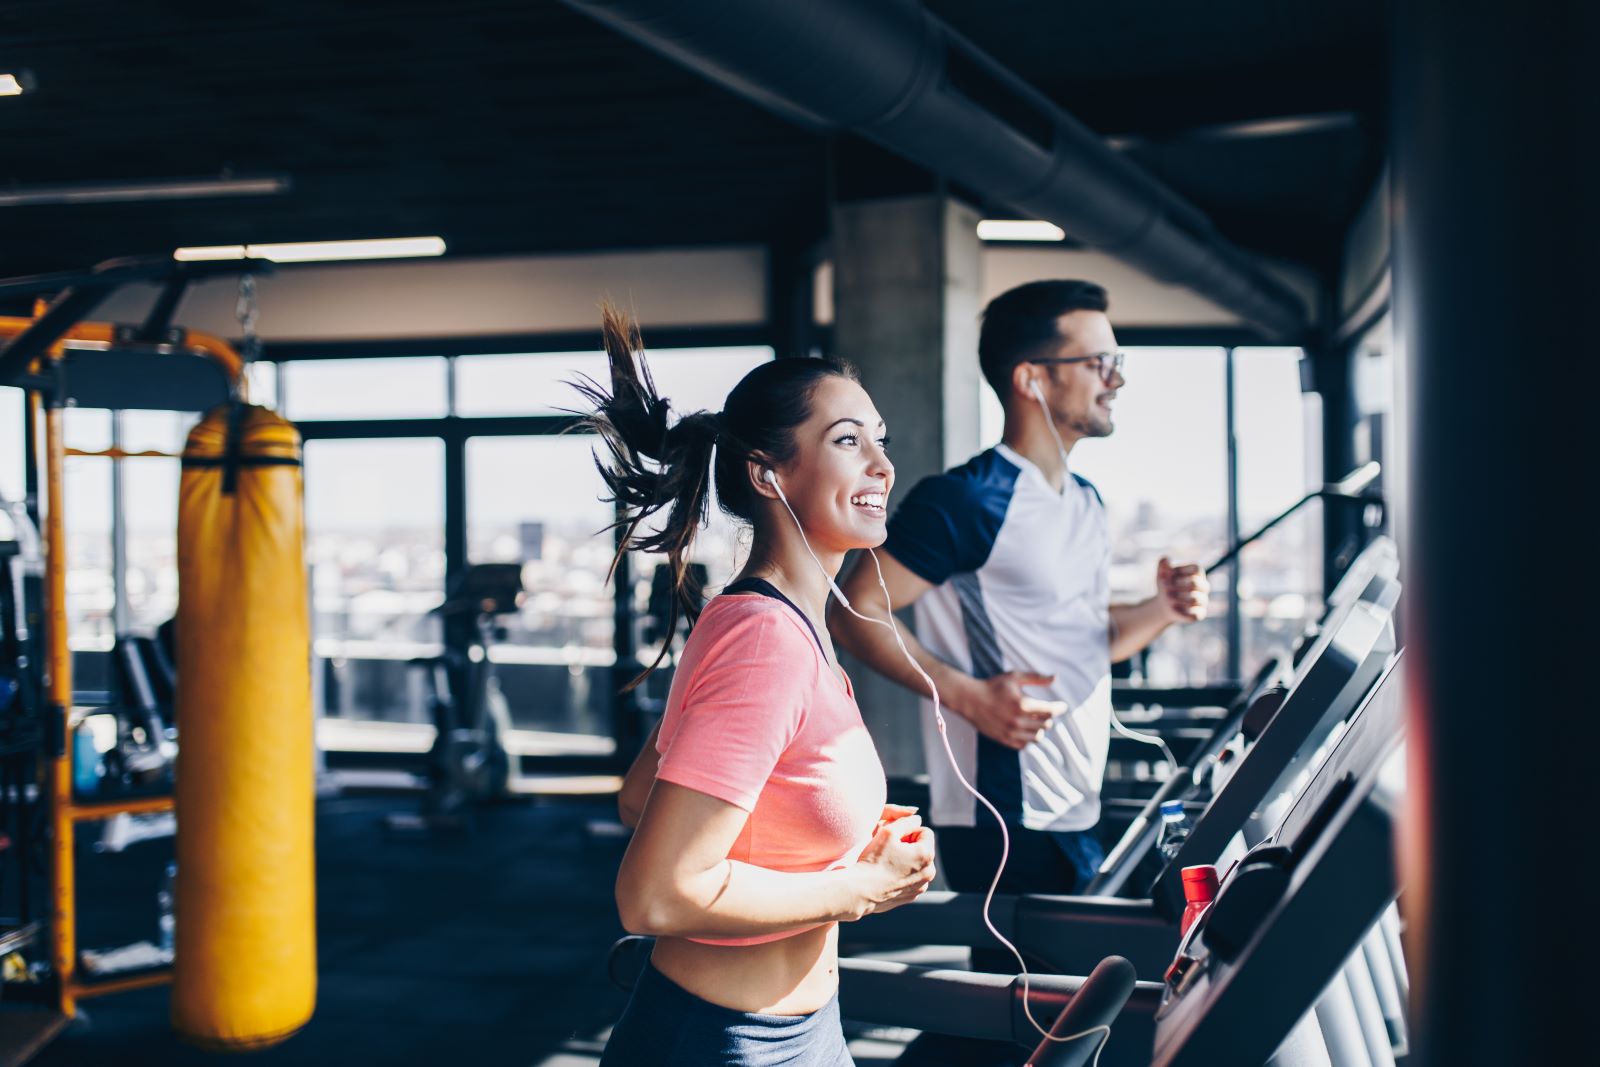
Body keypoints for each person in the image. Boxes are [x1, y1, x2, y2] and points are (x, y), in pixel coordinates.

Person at [586, 307, 936, 1067]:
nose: (881, 464)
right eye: (848, 440)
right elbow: (652, 896)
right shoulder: (764, 639)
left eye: (881, 439)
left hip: (800, 1033)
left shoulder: (770, 620)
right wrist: (858, 887)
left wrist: (811, 821)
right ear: (767, 473)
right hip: (724, 1043)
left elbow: (644, 796)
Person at [829, 278, 1209, 939]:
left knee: (1065, 1018)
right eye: (1099, 363)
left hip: (1077, 802)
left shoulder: (1087, 500)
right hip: (1004, 809)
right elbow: (854, 609)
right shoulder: (966, 500)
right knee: (1020, 1023)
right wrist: (968, 696)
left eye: (1116, 363)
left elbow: (1088, 636)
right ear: (1032, 379)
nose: (1115, 379)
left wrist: (1161, 608)